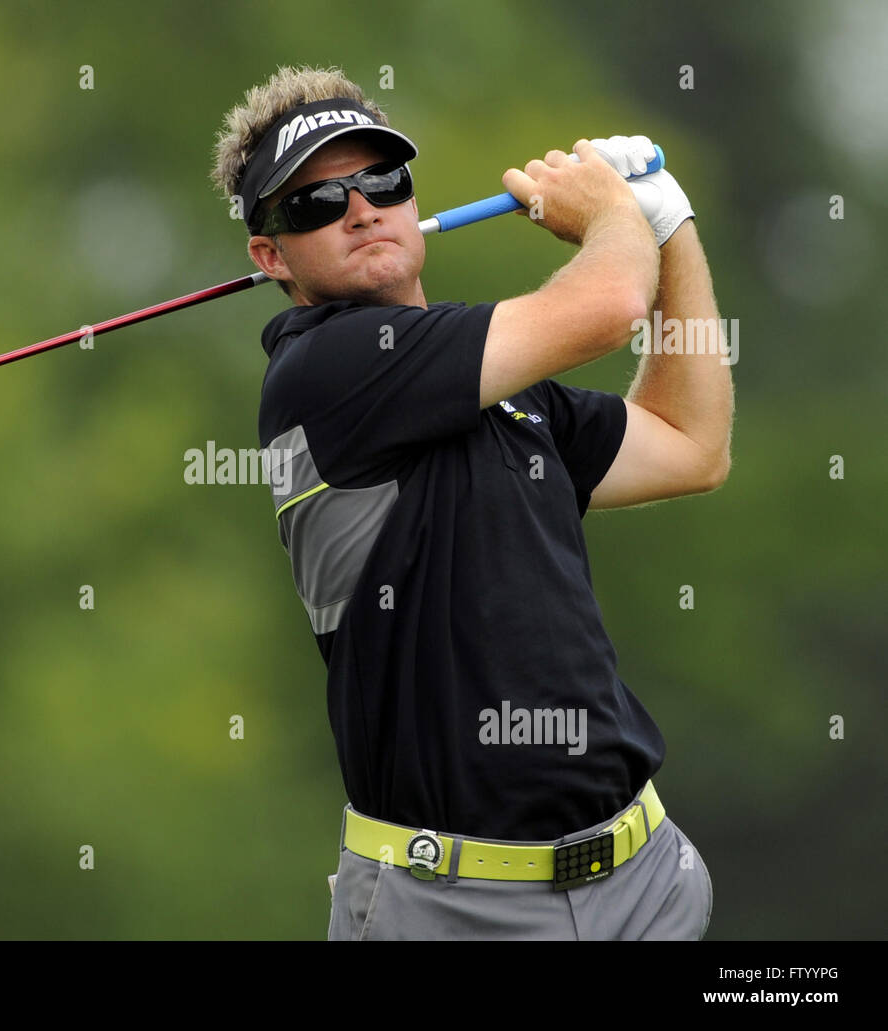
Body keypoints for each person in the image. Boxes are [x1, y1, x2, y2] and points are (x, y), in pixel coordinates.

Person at [209, 66, 733, 940]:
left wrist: (669, 225)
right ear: (271, 256)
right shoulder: (326, 370)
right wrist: (609, 214)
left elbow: (691, 444)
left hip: (645, 885)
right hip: (452, 909)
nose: (361, 209)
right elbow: (606, 304)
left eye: (381, 182)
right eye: (315, 203)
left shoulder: (499, 389)